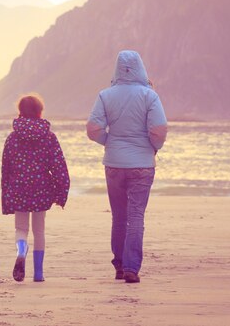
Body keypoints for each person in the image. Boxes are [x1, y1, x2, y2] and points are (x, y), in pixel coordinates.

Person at [86, 50, 167, 284]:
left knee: (119, 217)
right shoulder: (150, 96)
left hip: (114, 164)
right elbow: (159, 130)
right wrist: (153, 147)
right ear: (141, 68)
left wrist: (109, 141)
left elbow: (93, 129)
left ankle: (119, 265)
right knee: (136, 218)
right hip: (142, 164)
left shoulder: (105, 95)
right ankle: (132, 268)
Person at [1, 94, 70, 282]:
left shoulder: (13, 138)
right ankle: (38, 274)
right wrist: (62, 192)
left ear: (20, 112)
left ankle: (21, 252)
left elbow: (6, 168)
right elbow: (58, 166)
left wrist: (6, 194)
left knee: (21, 228)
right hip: (42, 188)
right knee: (39, 231)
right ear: (40, 112)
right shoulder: (49, 137)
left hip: (19, 187)